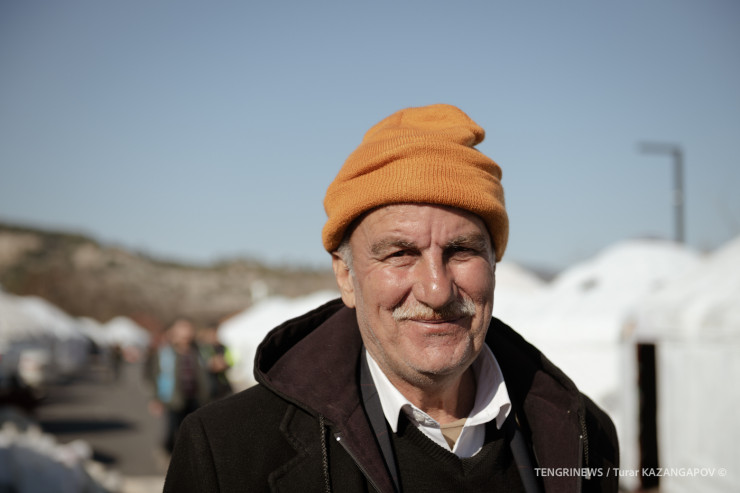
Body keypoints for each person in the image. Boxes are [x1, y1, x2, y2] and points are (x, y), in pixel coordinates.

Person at [164, 104, 619, 492]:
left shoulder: (581, 435)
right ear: (346, 276)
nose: (437, 290)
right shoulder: (226, 452)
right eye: (400, 254)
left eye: (461, 251)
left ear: (494, 263)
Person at [146, 317, 210, 454]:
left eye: (188, 328)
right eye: (182, 328)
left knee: (193, 432)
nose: (186, 332)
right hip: (173, 399)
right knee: (172, 432)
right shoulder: (165, 353)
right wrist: (155, 398)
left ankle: (187, 458)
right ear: (174, 332)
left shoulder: (199, 351)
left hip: (196, 398)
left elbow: (205, 374)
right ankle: (169, 454)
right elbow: (153, 375)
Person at [199, 322, 234, 401]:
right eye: (210, 334)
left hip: (225, 385)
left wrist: (224, 363)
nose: (213, 337)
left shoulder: (223, 347)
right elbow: (207, 365)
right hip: (211, 388)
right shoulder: (203, 349)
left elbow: (230, 361)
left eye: (214, 334)